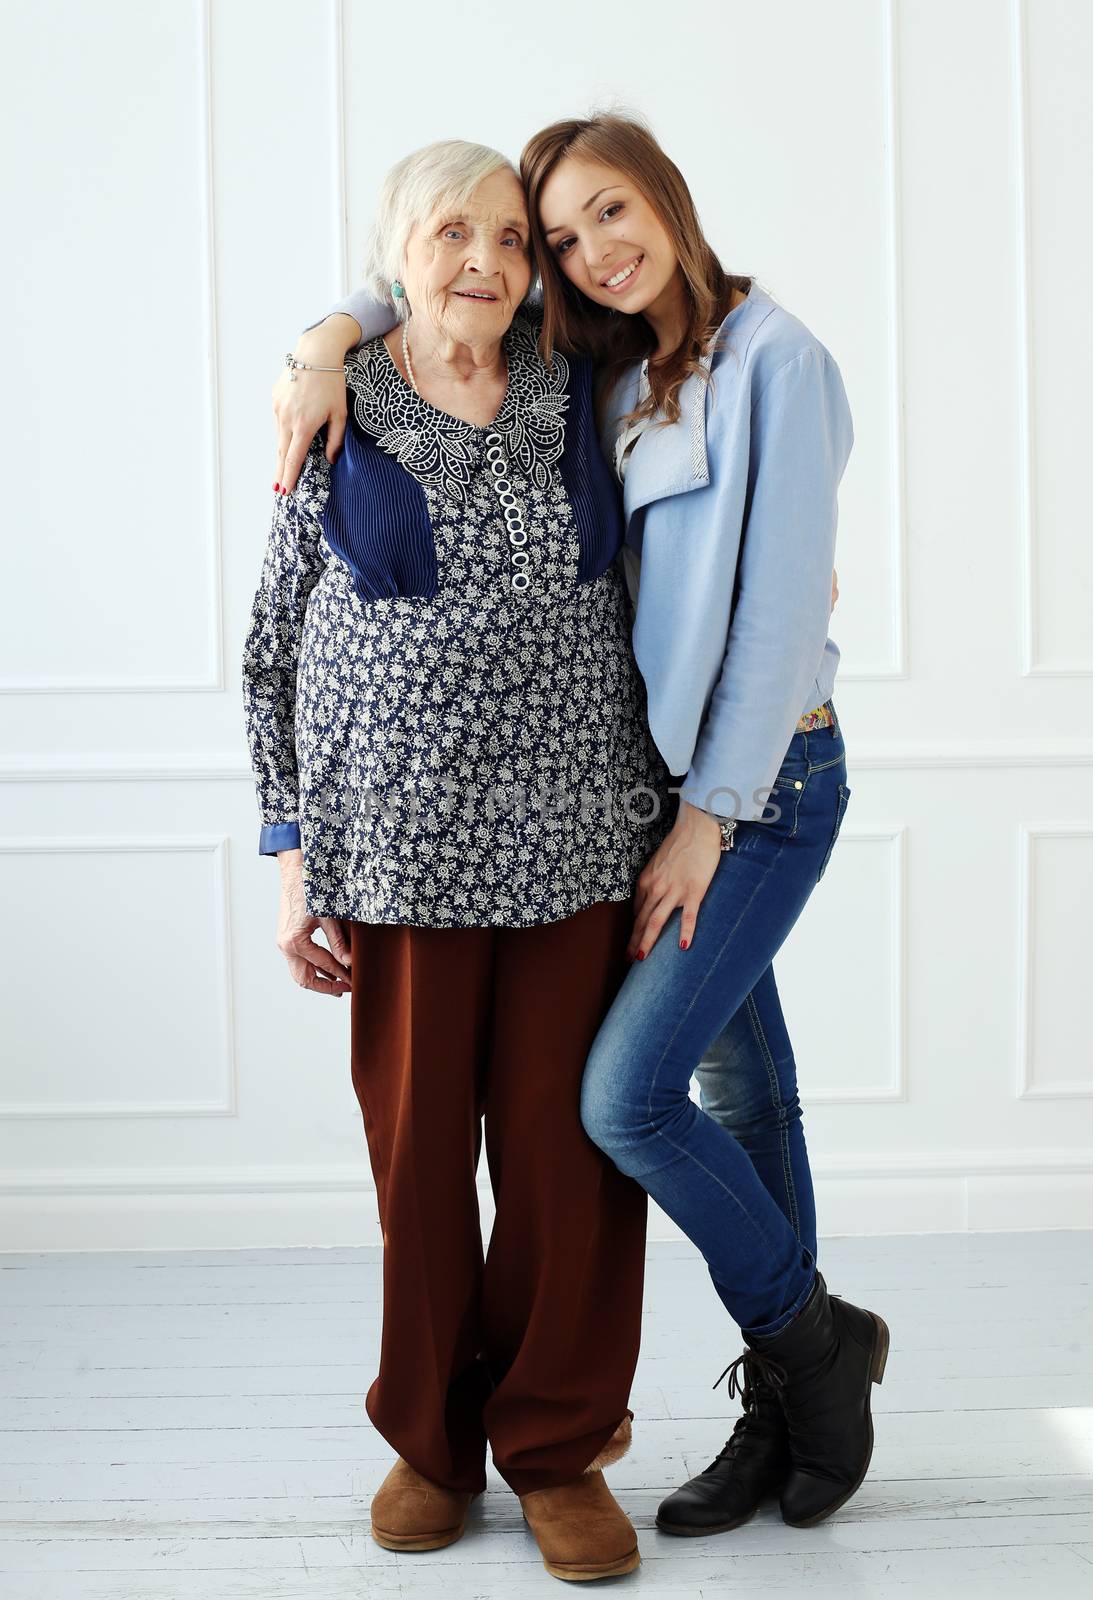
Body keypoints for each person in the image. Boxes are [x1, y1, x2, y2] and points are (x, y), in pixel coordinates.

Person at [274, 112, 888, 1549]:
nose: (576, 254)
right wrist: (322, 339)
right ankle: (758, 1404)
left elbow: (781, 609)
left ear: (668, 201)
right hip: (483, 835)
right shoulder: (594, 349)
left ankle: (710, 1378)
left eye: (606, 216)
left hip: (703, 802)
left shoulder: (745, 364)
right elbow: (427, 283)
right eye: (558, 237)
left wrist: (697, 825)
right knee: (728, 1107)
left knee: (607, 1119)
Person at [243, 138, 674, 1584]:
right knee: (419, 1155)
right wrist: (294, 848)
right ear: (395, 254)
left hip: (575, 833)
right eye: (449, 234)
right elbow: (276, 643)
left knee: (561, 1157)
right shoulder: (336, 405)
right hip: (397, 850)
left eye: (506, 234)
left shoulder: (576, 381)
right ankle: (431, 1442)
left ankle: (555, 1449)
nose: (482, 259)